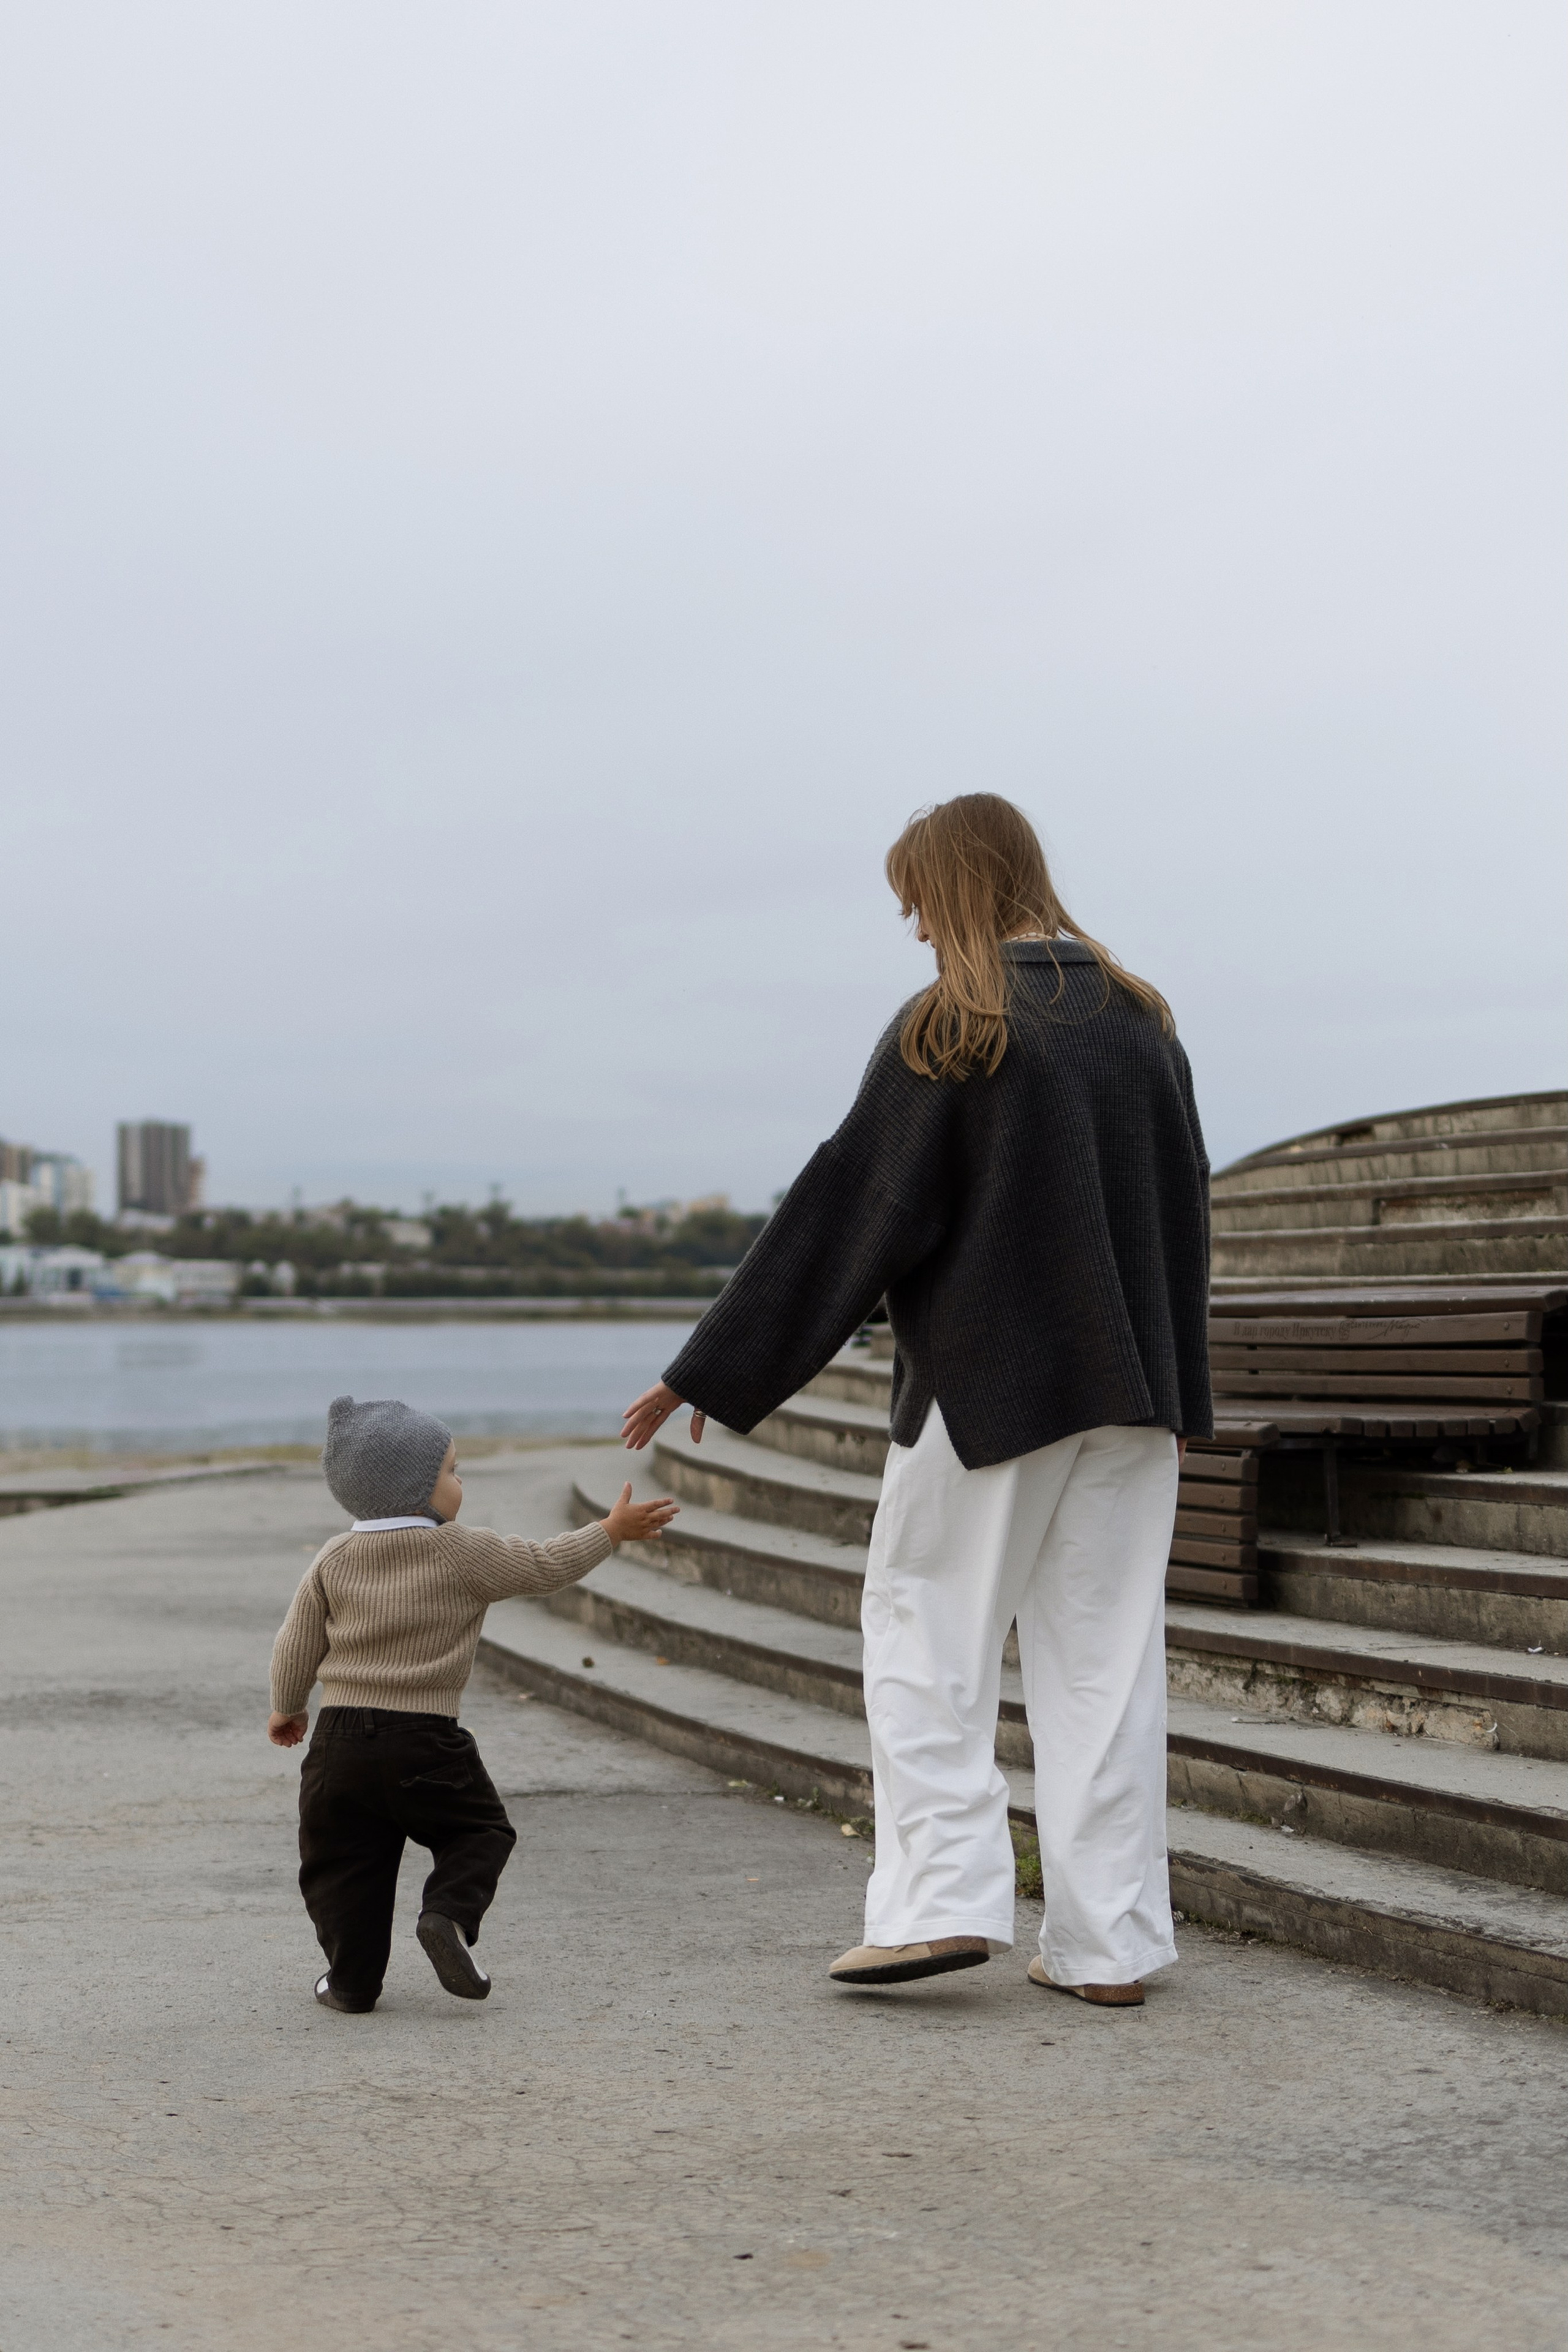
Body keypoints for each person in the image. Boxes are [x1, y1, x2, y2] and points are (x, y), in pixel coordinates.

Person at [622, 794, 1210, 2009]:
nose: (912, 935)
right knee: (1105, 1667)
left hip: (991, 1395)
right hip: (1133, 1397)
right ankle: (1109, 1949)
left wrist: (714, 1365)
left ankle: (937, 1907)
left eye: (915, 906)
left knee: (923, 1636)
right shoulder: (1140, 1021)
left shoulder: (956, 1025)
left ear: (955, 892)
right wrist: (1169, 1380)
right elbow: (1183, 1215)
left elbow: (852, 1207)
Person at [269, 1393, 677, 2013]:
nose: (461, 1482)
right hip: (426, 1738)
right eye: (452, 1471)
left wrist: (286, 1706)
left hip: (338, 1743)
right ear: (414, 1488)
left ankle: (351, 1983)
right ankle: (448, 1916)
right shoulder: (461, 1550)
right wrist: (608, 1532)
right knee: (479, 1829)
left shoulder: (334, 1556)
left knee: (343, 1865)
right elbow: (544, 1566)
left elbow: (297, 1639)